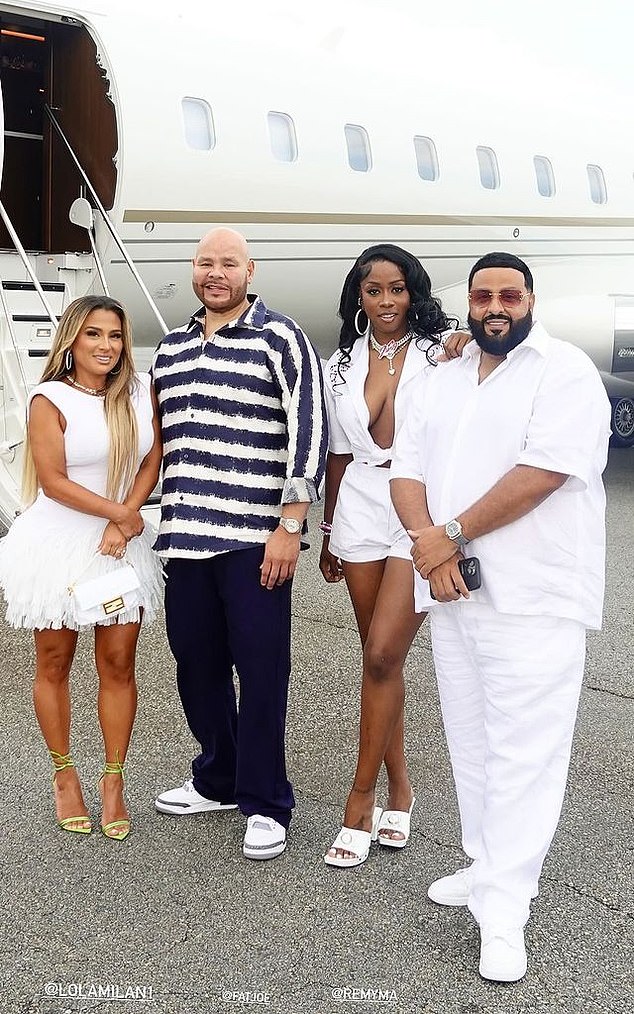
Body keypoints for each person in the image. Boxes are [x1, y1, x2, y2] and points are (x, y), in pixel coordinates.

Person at [390, 252, 611, 982]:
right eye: (483, 296)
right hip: (454, 592)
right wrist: (432, 549)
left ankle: (507, 907)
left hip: (534, 599)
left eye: (508, 296)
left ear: (530, 300)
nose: (495, 307)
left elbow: (544, 472)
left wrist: (446, 536)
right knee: (473, 741)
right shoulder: (442, 375)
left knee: (526, 753)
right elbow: (406, 470)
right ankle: (487, 867)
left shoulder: (565, 372)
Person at [152, 227, 327, 861]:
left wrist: (290, 523)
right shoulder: (169, 350)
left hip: (256, 540)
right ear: (193, 271)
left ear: (250, 270)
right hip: (185, 538)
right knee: (196, 668)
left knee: (260, 672)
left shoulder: (279, 337)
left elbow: (308, 426)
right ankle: (219, 777)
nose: (215, 273)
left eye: (229, 263)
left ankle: (266, 800)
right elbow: (161, 442)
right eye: (205, 263)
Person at [0, 295, 163, 840]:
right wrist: (119, 513)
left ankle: (113, 780)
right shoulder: (49, 398)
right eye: (93, 334)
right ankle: (64, 773)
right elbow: (53, 481)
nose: (106, 346)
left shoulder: (138, 393)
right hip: (59, 546)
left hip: (119, 547)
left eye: (115, 336)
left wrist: (125, 519)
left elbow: (150, 459)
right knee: (54, 661)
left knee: (118, 663)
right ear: (72, 339)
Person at [320, 243, 461, 867]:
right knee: (381, 662)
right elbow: (338, 452)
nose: (385, 302)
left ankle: (360, 799)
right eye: (373, 291)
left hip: (418, 508)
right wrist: (327, 529)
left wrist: (464, 342)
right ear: (358, 296)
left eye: (397, 289)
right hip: (357, 507)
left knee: (382, 654)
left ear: (415, 293)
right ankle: (400, 789)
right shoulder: (339, 364)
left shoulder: (442, 354)